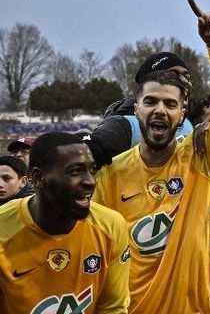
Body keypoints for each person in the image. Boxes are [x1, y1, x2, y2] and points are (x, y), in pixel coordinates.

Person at [93, 0, 210, 314]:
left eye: (170, 104)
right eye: (151, 102)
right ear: (137, 109)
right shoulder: (112, 174)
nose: (160, 109)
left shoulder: (201, 158)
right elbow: (99, 252)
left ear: (181, 115)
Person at [0, 132, 130, 313]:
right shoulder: (3, 227)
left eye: (92, 170)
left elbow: (113, 307)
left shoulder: (111, 226)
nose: (91, 181)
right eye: (75, 171)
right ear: (38, 178)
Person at [85, 51, 194, 169]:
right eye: (173, 75)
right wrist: (86, 144)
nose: (184, 80)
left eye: (187, 76)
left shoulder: (189, 123)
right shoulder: (123, 125)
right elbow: (87, 153)